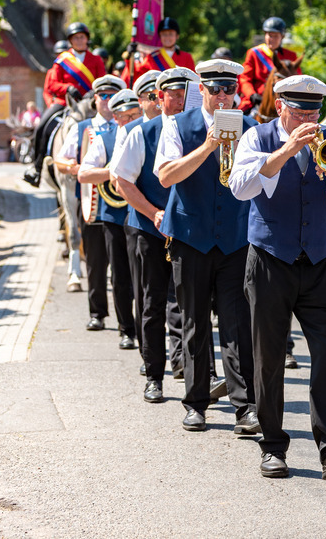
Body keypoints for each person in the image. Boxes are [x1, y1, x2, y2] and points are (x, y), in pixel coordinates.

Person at [227, 74, 326, 481]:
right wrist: (287, 149)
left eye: (313, 111)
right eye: (298, 112)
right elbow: (239, 187)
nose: (307, 119)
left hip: (322, 261)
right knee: (269, 357)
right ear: (280, 108)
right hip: (271, 259)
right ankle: (273, 446)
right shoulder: (257, 138)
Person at [155, 59, 259, 436]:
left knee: (237, 325)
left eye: (228, 90)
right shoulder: (178, 126)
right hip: (190, 236)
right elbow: (166, 175)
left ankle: (244, 406)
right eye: (214, 89)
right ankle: (196, 403)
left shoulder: (251, 128)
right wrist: (208, 145)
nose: (221, 97)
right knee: (195, 322)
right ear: (201, 89)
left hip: (235, 238)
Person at [112, 68, 190, 402]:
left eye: (185, 94)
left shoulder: (199, 131)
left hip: (188, 232)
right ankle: (153, 375)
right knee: (152, 302)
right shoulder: (140, 133)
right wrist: (153, 212)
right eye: (171, 94)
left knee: (190, 304)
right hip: (149, 228)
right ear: (158, 98)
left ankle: (188, 365)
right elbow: (123, 181)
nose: (178, 101)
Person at [55, 75, 123, 332]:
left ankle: (127, 320)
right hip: (92, 202)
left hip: (122, 205)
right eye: (101, 95)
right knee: (95, 263)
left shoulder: (127, 124)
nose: (106, 100)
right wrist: (74, 168)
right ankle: (97, 313)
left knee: (122, 267)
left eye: (111, 96)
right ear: (94, 99)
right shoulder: (83, 127)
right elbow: (61, 160)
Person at [77, 89, 142, 351]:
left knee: (145, 277)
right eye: (125, 116)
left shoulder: (147, 133)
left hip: (143, 214)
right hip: (114, 215)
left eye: (134, 115)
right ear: (115, 118)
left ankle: (148, 329)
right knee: (120, 276)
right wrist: (112, 171)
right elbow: (83, 174)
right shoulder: (104, 139)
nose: (130, 120)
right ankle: (126, 329)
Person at [24, 22, 107, 187]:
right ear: (70, 40)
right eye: (75, 38)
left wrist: (93, 92)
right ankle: (37, 168)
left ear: (87, 39)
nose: (79, 40)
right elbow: (52, 85)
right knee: (42, 126)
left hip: (90, 103)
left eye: (82, 37)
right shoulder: (62, 60)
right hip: (66, 103)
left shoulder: (96, 60)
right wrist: (68, 88)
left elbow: (102, 82)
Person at [236, 16, 301, 114]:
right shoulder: (254, 53)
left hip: (285, 101)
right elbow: (245, 79)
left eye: (276, 36)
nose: (272, 39)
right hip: (258, 100)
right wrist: (252, 94)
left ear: (282, 37)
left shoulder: (291, 56)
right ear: (265, 36)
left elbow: (298, 79)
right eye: (269, 35)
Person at [123, 16, 196, 84]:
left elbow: (193, 81)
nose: (167, 37)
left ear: (177, 36)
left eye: (170, 34)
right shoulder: (151, 57)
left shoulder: (187, 57)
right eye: (164, 34)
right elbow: (137, 77)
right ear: (159, 36)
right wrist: (130, 57)